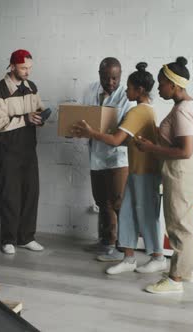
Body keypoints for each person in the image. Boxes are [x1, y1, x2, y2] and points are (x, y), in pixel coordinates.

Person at [74, 62, 166, 275]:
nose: (125, 90)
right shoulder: (143, 110)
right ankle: (129, 257)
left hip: (141, 171)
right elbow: (128, 141)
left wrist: (92, 133)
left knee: (140, 214)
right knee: (126, 213)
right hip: (137, 169)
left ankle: (155, 256)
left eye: (129, 87)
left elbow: (116, 140)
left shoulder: (137, 112)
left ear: (139, 90)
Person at [135, 57, 193, 294]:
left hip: (180, 169)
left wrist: (150, 148)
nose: (159, 87)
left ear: (174, 86)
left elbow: (185, 150)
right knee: (187, 222)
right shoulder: (188, 105)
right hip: (187, 168)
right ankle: (187, 270)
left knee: (178, 225)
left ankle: (175, 280)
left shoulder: (182, 111)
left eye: (162, 83)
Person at [0, 49, 46, 254]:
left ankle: (26, 237)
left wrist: (40, 118)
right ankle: (8, 239)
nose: (27, 72)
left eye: (29, 68)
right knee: (10, 195)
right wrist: (26, 118)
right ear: (12, 66)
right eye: (23, 68)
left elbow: (38, 109)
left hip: (29, 150)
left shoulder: (32, 87)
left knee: (32, 193)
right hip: (7, 151)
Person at [81, 57, 132, 261]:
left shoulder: (126, 97)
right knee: (102, 201)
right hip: (97, 155)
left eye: (115, 78)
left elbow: (124, 133)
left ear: (120, 76)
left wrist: (92, 131)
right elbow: (82, 115)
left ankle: (121, 247)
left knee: (117, 202)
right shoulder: (91, 90)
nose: (110, 82)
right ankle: (106, 241)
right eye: (106, 78)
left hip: (118, 158)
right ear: (99, 75)